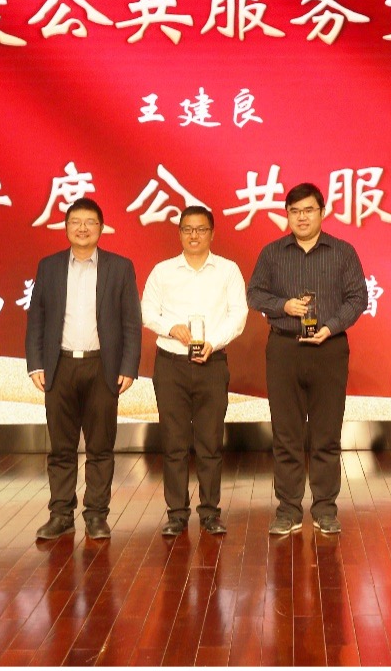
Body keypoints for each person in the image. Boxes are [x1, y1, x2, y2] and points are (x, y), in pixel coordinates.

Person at [247, 182, 368, 536]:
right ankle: (288, 509)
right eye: (295, 211)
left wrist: (331, 327)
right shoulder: (272, 253)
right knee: (286, 434)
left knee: (326, 434)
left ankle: (325, 508)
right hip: (284, 348)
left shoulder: (342, 252)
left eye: (308, 210)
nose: (302, 217)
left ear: (322, 212)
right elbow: (254, 294)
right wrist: (282, 305)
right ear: (287, 215)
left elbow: (357, 298)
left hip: (329, 349)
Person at [26, 197, 142, 541]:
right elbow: (37, 318)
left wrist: (128, 366)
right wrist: (35, 363)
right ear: (65, 228)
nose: (82, 228)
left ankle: (96, 516)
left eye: (90, 222)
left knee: (100, 447)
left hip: (102, 367)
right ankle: (61, 514)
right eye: (75, 222)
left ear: (101, 228)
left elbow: (131, 321)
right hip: (59, 366)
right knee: (61, 448)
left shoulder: (119, 267)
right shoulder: (49, 267)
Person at [141, 206, 248, 537]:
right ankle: (176, 513)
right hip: (171, 364)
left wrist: (213, 343)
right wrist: (169, 327)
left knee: (210, 442)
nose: (194, 235)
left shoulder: (228, 270)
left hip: (212, 364)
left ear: (212, 234)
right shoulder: (163, 271)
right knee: (174, 443)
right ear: (179, 233)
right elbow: (146, 311)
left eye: (201, 229)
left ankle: (210, 512)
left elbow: (238, 314)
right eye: (187, 229)